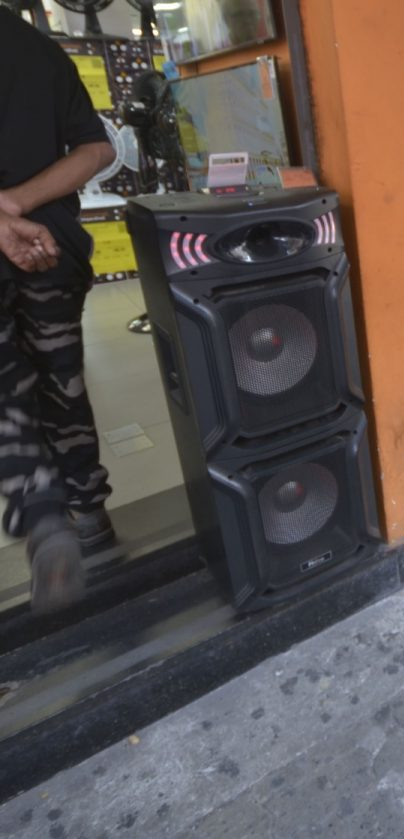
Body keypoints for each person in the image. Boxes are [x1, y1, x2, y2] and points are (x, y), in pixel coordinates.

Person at [1, 10, 118, 612]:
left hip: (28, 245)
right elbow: (97, 149)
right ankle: (92, 517)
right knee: (62, 381)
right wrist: (16, 205)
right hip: (53, 246)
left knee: (5, 394)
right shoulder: (40, 50)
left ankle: (45, 514)